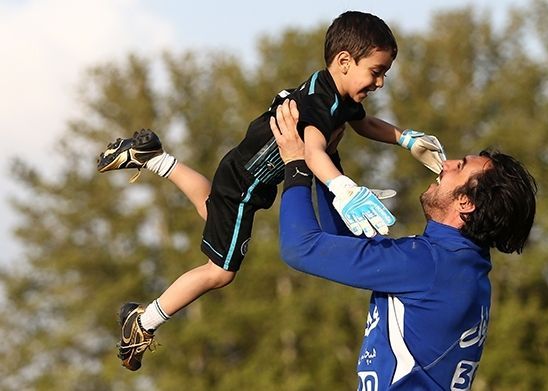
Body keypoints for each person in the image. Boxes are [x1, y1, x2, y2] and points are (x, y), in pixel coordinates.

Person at [96, 11, 445, 371]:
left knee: (212, 210)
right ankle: (142, 321)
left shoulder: (333, 94)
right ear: (344, 61)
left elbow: (364, 123)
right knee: (220, 271)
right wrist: (343, 187)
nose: (381, 82)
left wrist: (405, 139)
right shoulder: (317, 104)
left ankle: (153, 158)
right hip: (245, 187)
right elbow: (312, 151)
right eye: (376, 71)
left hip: (240, 176)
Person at [271, 99, 537, 390]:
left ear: (466, 202)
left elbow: (300, 248)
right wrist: (328, 163)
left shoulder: (430, 264)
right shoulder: (456, 264)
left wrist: (296, 163)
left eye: (458, 167)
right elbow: (344, 245)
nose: (445, 164)